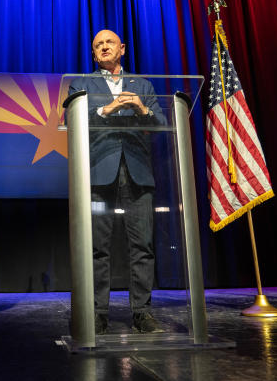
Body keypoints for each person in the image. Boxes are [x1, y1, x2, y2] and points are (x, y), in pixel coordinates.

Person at [68, 29, 166, 334]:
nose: (104, 47)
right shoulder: (81, 83)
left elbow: (164, 123)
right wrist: (104, 111)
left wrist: (143, 108)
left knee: (143, 246)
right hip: (98, 174)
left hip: (137, 173)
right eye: (98, 45)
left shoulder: (144, 85)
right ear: (94, 53)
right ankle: (97, 313)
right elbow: (72, 122)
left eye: (109, 42)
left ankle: (142, 313)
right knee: (98, 247)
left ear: (122, 48)